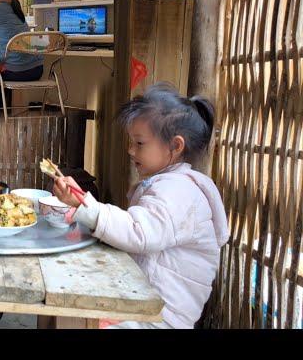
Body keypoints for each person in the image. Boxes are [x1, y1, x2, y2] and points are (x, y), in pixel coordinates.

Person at [53, 83, 229, 329]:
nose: (130, 149)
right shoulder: (171, 185)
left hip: (158, 319)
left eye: (140, 143)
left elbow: (138, 232)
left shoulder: (179, 193)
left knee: (71, 315)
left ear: (175, 146)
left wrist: (87, 207)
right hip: (142, 304)